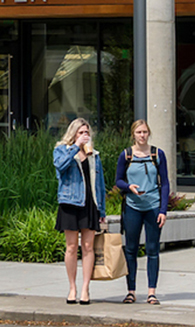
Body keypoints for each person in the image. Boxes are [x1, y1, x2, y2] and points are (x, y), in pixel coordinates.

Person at [116, 120, 170, 304]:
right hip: (133, 206)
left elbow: (165, 184)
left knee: (153, 249)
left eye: (145, 132)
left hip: (153, 206)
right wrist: (128, 187)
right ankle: (131, 291)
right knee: (130, 249)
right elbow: (118, 180)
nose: (142, 135)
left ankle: (151, 292)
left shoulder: (157, 154)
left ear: (149, 133)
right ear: (133, 134)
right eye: (139, 132)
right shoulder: (126, 155)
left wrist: (163, 210)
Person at [53, 118, 107, 305]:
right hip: (70, 202)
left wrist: (102, 210)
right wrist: (76, 146)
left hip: (89, 204)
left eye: (87, 132)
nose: (85, 136)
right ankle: (72, 288)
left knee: (88, 246)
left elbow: (99, 184)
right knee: (71, 247)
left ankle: (85, 288)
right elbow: (60, 167)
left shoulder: (94, 154)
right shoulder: (62, 149)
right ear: (74, 133)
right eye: (81, 132)